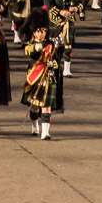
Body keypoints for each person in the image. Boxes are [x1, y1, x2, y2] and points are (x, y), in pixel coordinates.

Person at [20, 8, 64, 140]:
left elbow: (57, 60)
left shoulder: (51, 44)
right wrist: (37, 48)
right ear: (34, 32)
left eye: (44, 31)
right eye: (39, 31)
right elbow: (29, 52)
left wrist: (53, 64)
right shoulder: (30, 44)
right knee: (34, 107)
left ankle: (45, 132)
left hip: (49, 78)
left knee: (46, 106)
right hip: (35, 77)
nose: (42, 34)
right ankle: (35, 126)